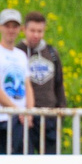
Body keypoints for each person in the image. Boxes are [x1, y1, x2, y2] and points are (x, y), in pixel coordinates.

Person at [0, 8, 35, 156]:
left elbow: (27, 85)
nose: (11, 30)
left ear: (20, 29)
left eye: (14, 26)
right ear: (0, 27)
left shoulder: (21, 55)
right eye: (7, 26)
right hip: (1, 118)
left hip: (21, 120)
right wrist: (18, 111)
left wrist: (29, 112)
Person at [19, 11, 65, 154]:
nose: (36, 35)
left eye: (40, 31)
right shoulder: (17, 52)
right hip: (26, 117)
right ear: (24, 30)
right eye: (32, 30)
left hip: (49, 116)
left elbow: (59, 83)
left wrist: (61, 109)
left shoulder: (51, 53)